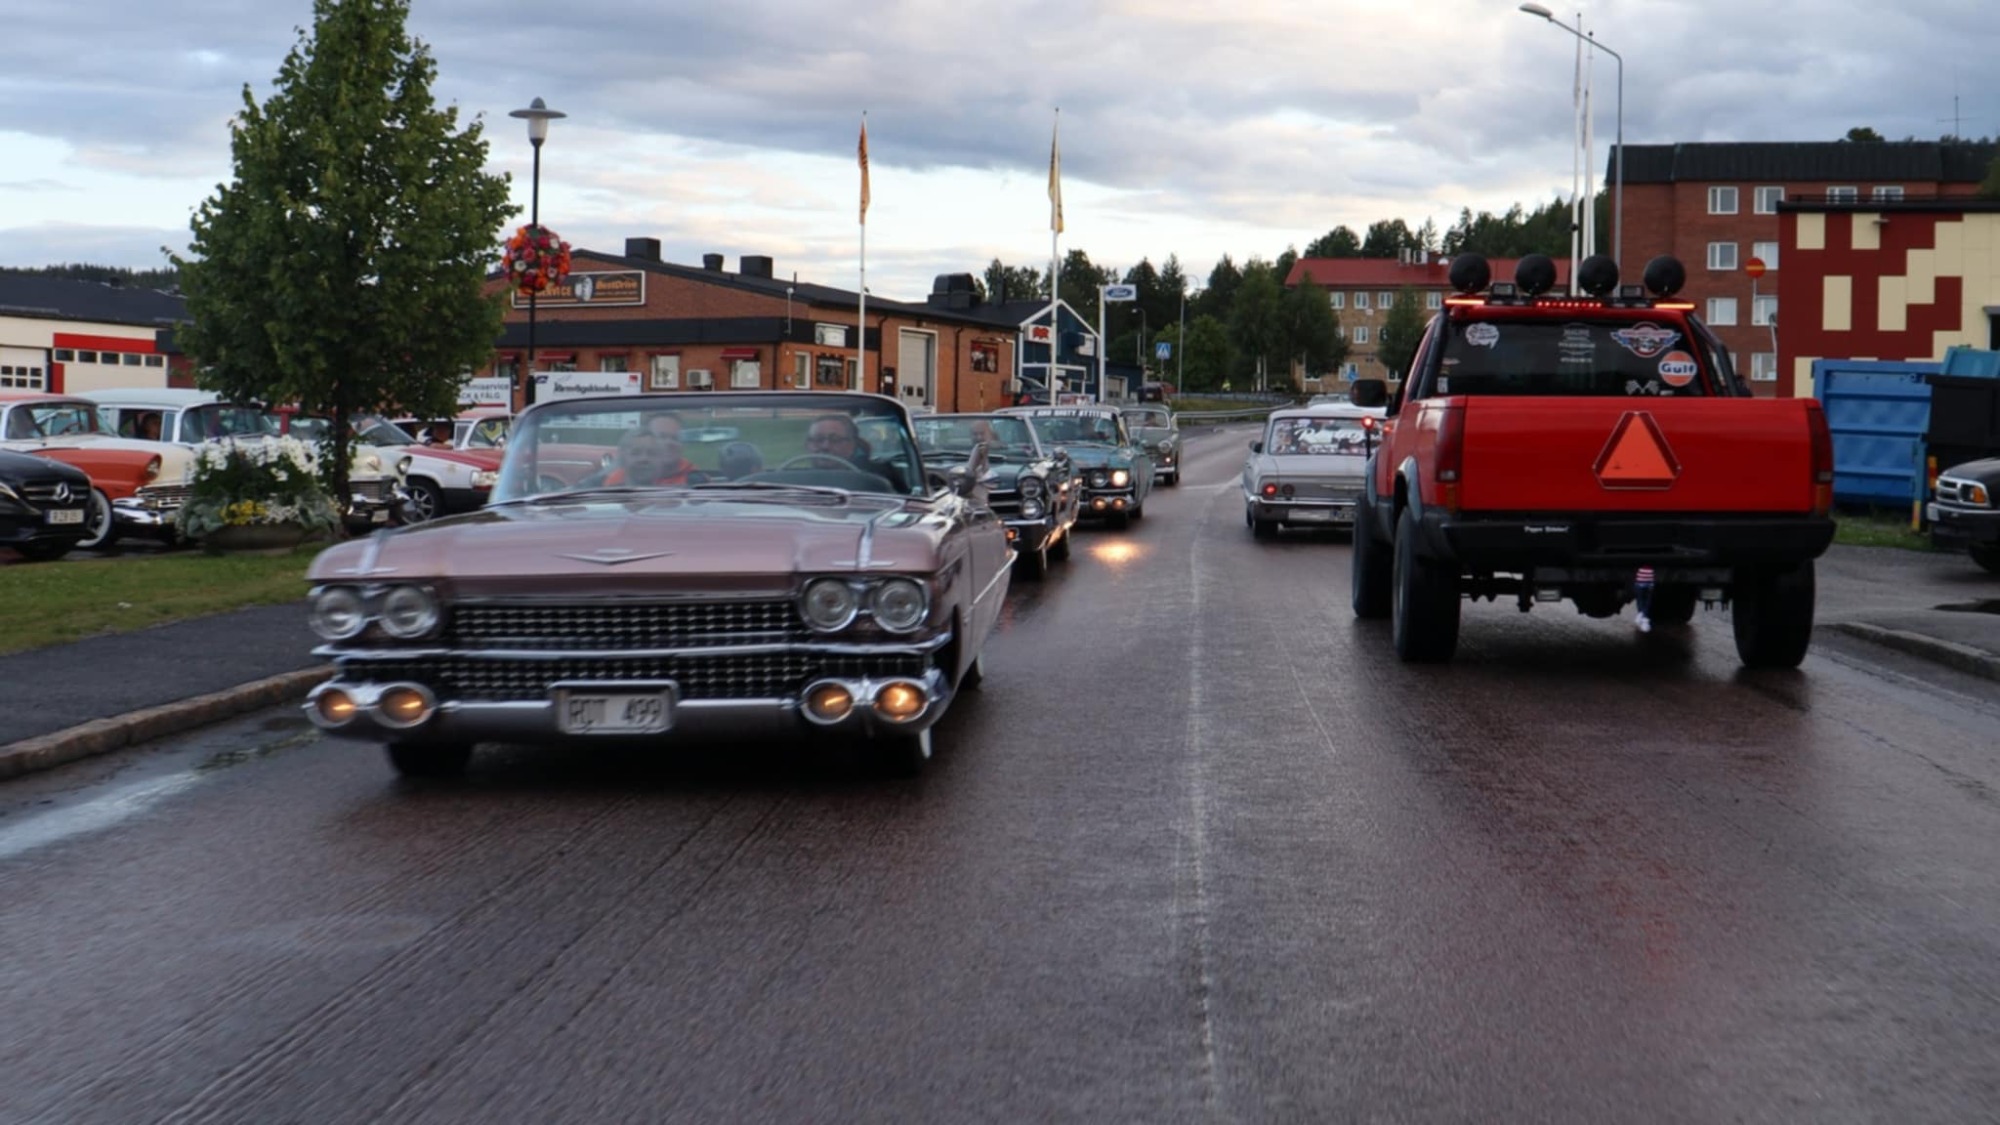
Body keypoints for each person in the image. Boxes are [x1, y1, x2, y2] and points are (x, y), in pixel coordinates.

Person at [804, 413, 905, 491]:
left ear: (853, 444)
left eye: (835, 440)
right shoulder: (799, 478)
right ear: (807, 445)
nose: (825, 446)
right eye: (818, 439)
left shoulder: (881, 475)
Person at [1633, 565, 1656, 633]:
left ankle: (1641, 615)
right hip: (1648, 582)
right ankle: (1644, 617)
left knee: (1641, 600)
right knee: (1646, 601)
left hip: (1641, 581)